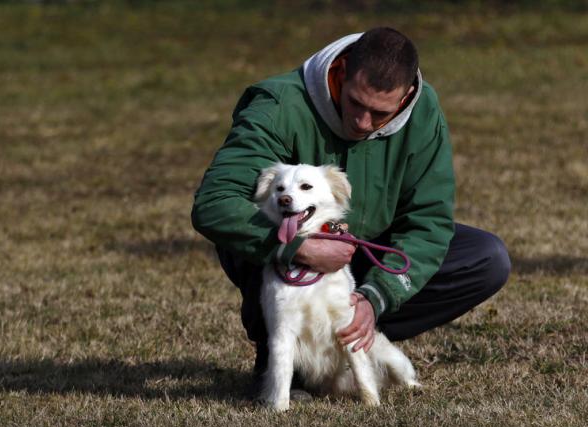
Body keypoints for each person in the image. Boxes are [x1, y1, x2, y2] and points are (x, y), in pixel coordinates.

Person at [191, 27, 511, 398]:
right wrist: (295, 247)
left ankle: (350, 335)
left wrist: (376, 295)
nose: (362, 122)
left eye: (379, 113)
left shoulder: (423, 112)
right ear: (341, 72)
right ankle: (282, 360)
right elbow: (214, 202)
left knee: (486, 258)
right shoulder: (279, 104)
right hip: (284, 257)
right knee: (251, 226)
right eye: (355, 102)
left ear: (406, 97)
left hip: (364, 256)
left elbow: (428, 223)